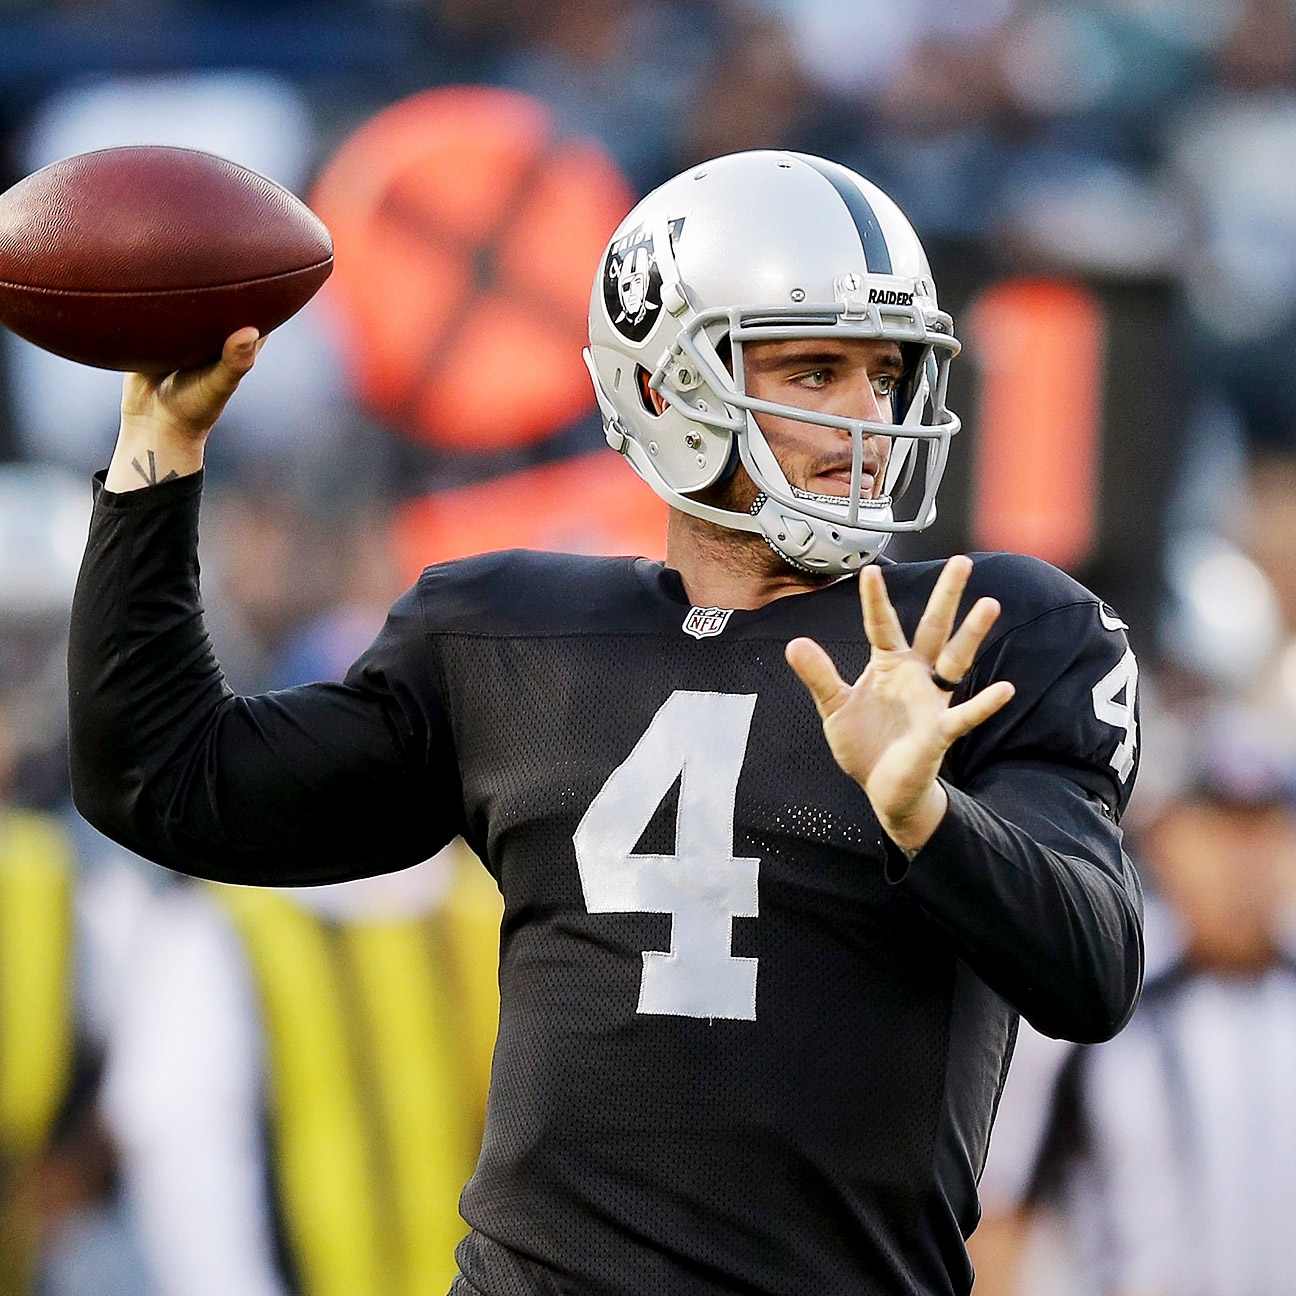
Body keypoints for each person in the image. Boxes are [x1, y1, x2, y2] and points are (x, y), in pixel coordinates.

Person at [67, 150, 1144, 1296]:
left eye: (887, 375)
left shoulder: (988, 629)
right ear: (663, 387)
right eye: (817, 371)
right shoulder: (501, 636)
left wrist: (928, 816)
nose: (865, 420)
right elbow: (166, 779)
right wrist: (157, 461)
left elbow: (1092, 969)